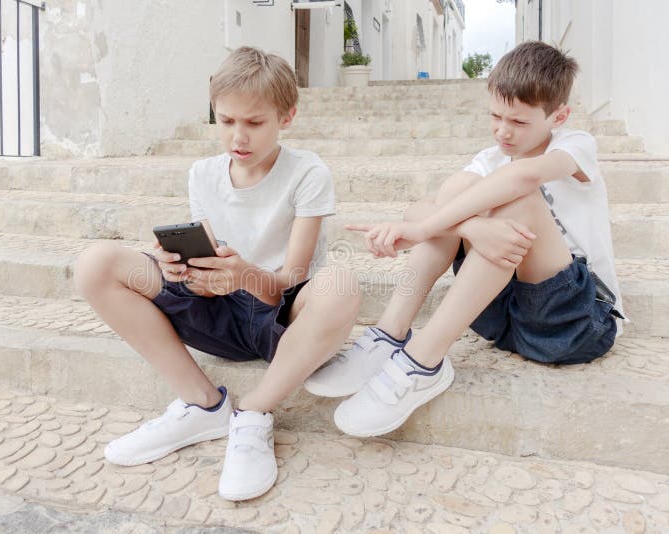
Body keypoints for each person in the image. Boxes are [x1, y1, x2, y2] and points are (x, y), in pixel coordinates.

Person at [74, 46, 360, 501]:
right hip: (218, 306)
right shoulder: (203, 173)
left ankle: (252, 414)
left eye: (253, 122)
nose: (237, 137)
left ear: (286, 117)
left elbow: (291, 278)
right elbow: (206, 263)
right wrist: (181, 269)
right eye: (226, 122)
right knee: (95, 264)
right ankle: (202, 403)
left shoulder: (307, 172)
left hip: (279, 317)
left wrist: (245, 274)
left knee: (341, 285)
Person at [305, 41, 625, 438]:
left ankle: (422, 363)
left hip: (573, 321)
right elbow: (422, 208)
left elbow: (521, 178)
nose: (502, 132)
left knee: (513, 197)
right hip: (502, 316)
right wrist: (469, 228)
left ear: (558, 115)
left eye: (519, 122)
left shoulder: (575, 146)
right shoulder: (489, 157)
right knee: (457, 191)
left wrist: (427, 229)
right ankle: (390, 336)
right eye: (495, 116)